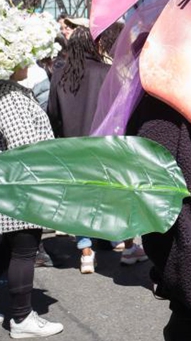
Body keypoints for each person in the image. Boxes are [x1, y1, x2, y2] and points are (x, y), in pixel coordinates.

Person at [47, 24, 146, 274]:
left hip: (71, 145)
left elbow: (53, 113)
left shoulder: (60, 76)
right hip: (104, 147)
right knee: (116, 196)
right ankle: (128, 246)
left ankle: (86, 251)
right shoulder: (106, 73)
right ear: (95, 45)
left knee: (80, 198)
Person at [0, 67, 64, 338]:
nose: (29, 65)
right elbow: (27, 150)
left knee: (3, 249)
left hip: (5, 186)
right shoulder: (9, 95)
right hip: (21, 188)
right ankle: (22, 318)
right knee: (23, 250)